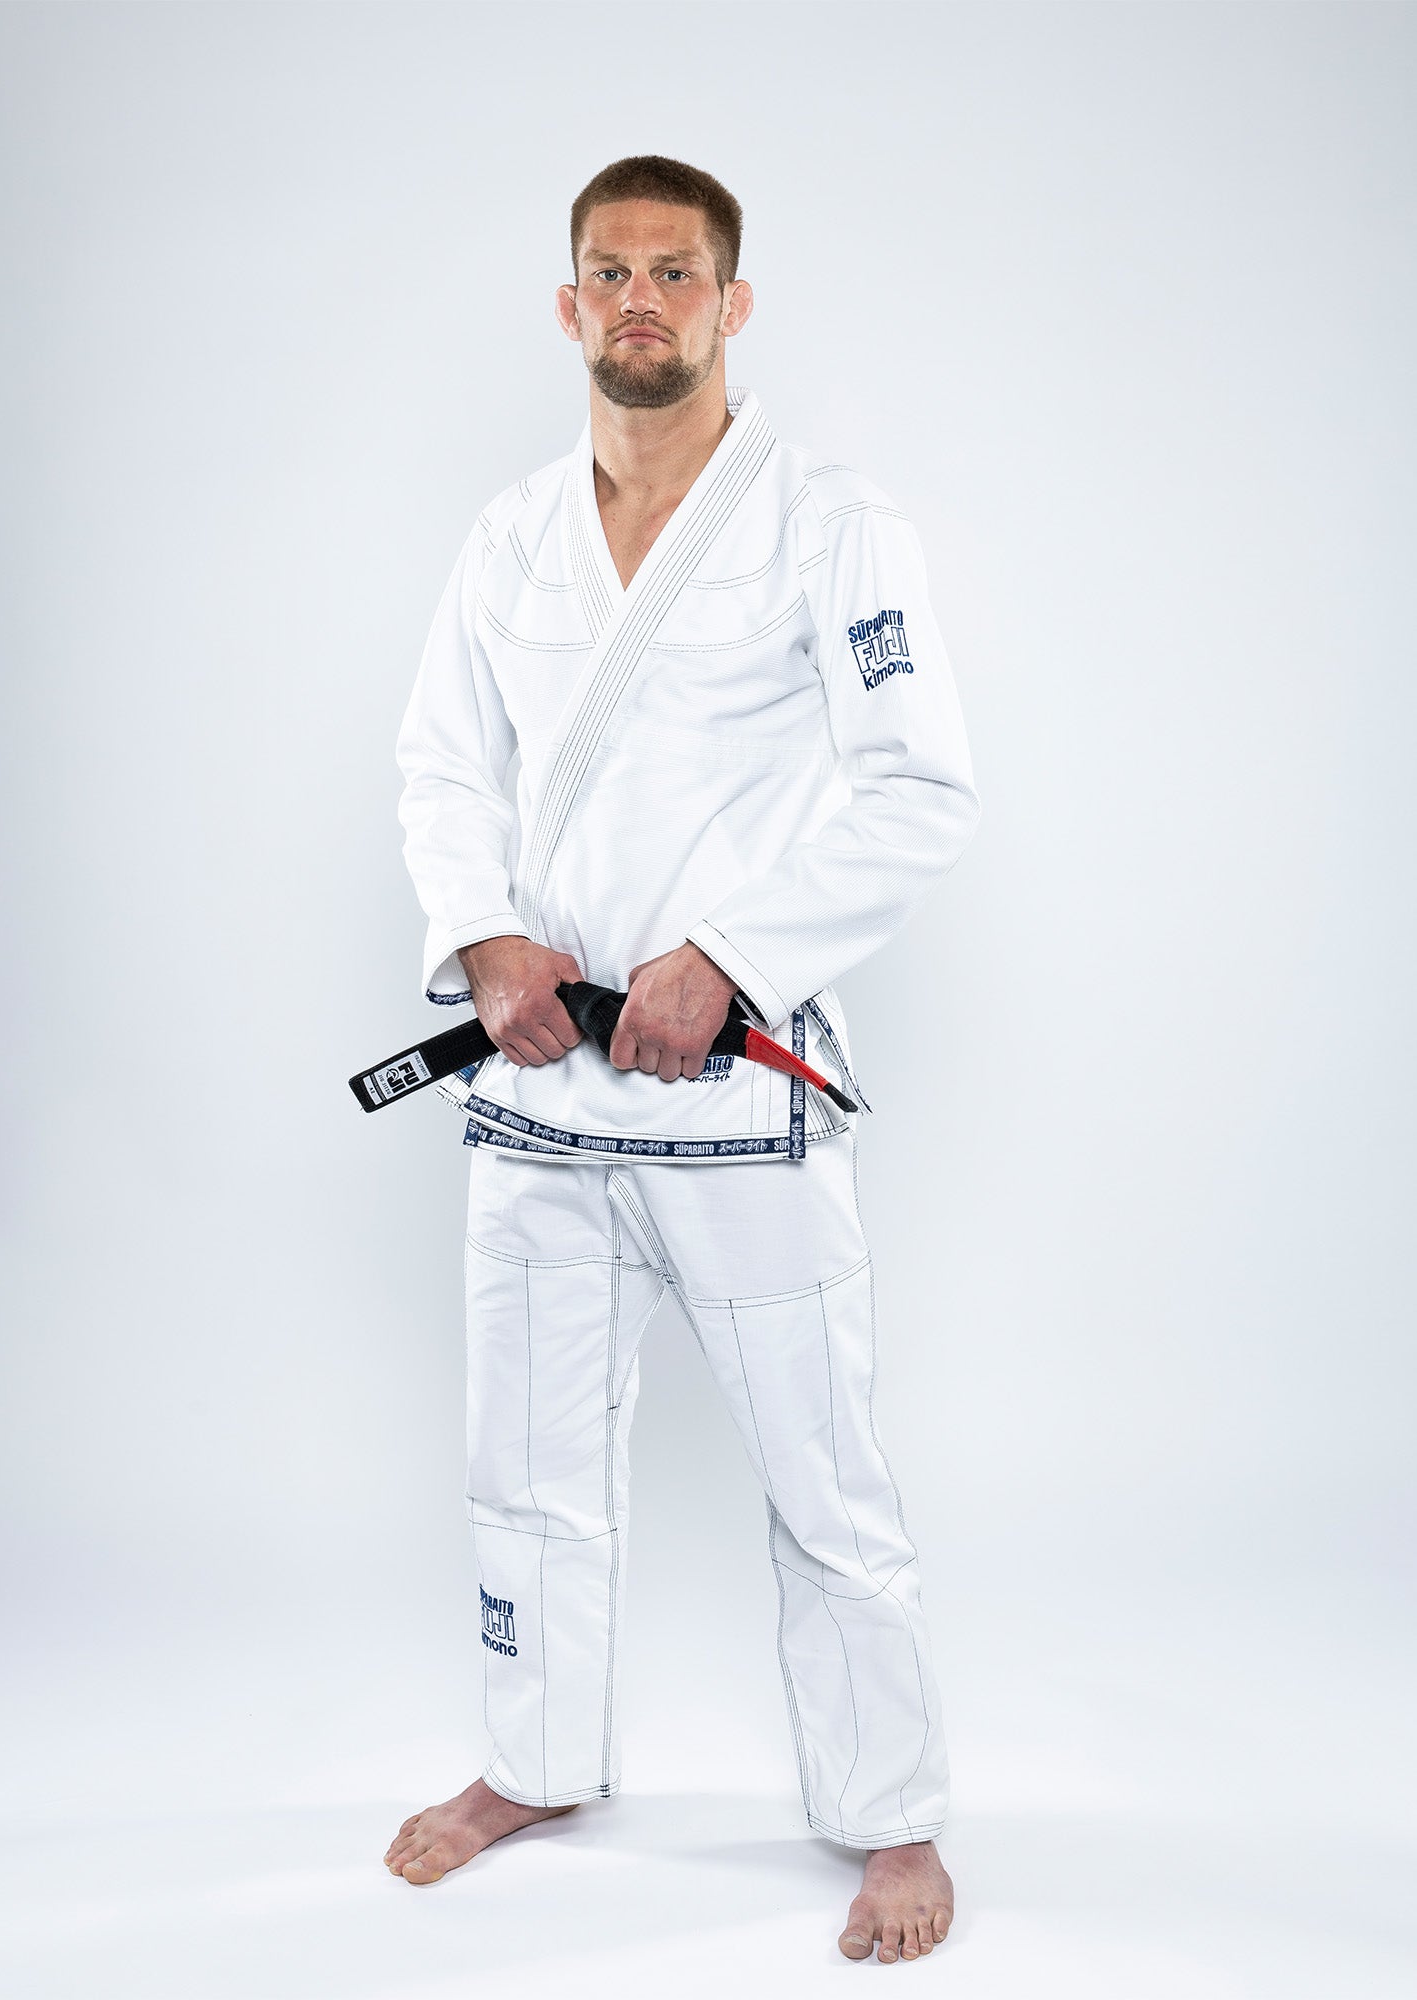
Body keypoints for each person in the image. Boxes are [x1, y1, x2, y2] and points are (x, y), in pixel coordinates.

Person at [383, 155, 980, 1966]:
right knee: (525, 1464)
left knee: (823, 1476)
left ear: (733, 303)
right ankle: (536, 1763)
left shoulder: (830, 524)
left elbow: (919, 789)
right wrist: (484, 936)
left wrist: (728, 961)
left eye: (675, 272)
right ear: (569, 307)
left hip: (738, 1096)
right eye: (609, 272)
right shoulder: (510, 536)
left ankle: (890, 1819)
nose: (639, 299)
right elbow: (440, 765)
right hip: (538, 1086)